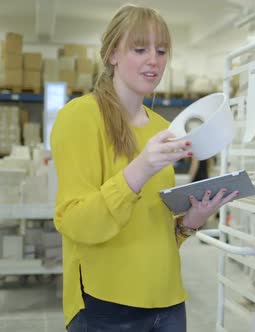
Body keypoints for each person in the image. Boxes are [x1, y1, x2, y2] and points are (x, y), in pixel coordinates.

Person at [50, 4, 238, 331]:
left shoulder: (164, 128)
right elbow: (75, 222)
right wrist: (140, 169)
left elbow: (155, 230)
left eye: (161, 50)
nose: (154, 59)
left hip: (168, 300)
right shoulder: (79, 117)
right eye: (140, 49)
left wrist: (189, 223)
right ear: (112, 54)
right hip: (106, 304)